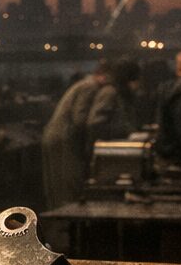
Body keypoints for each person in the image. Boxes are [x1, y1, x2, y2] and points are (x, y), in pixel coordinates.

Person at [41, 63, 108, 208]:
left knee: (57, 185)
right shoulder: (90, 87)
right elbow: (80, 118)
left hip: (58, 136)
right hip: (65, 137)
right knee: (66, 184)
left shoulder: (85, 84)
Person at [86, 58, 142, 146]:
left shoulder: (118, 94)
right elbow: (96, 124)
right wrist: (125, 132)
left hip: (111, 147)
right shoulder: (110, 93)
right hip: (105, 149)